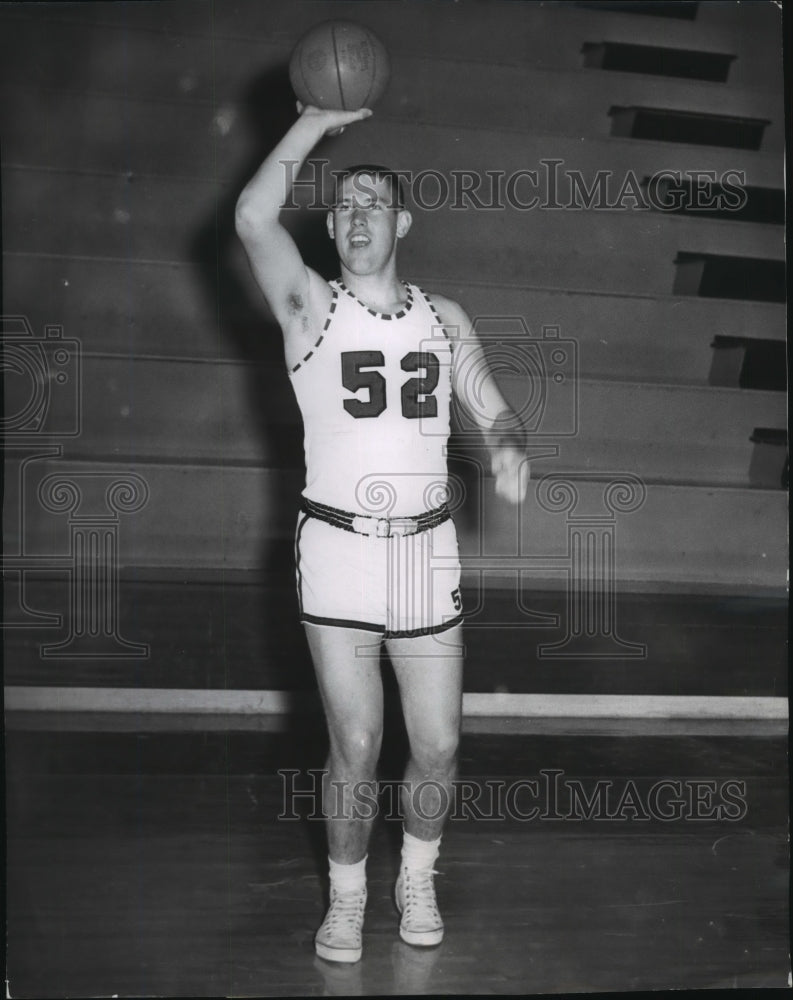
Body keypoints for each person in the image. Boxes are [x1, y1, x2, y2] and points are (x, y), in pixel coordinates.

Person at [235, 104, 528, 964]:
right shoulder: (307, 309)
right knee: (355, 744)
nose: (357, 213)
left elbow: (495, 412)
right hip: (337, 548)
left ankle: (419, 876)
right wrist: (311, 128)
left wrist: (509, 451)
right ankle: (347, 895)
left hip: (422, 555)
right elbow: (253, 217)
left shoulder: (444, 318)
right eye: (344, 204)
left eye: (374, 200)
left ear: (401, 222)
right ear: (330, 228)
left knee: (437, 744)